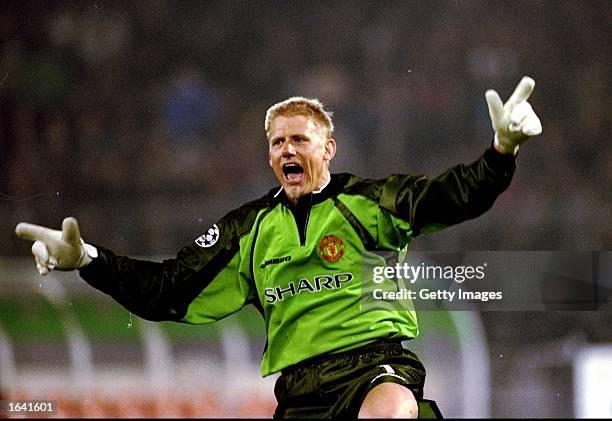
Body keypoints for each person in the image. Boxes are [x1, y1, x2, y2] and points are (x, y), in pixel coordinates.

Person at [15, 76, 542, 418]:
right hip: (299, 391)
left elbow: (454, 197)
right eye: (276, 142)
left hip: (374, 365)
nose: (287, 149)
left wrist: (501, 152)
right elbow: (166, 290)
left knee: (389, 412)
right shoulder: (247, 230)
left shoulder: (369, 203)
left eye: (299, 139)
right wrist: (87, 260)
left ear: (327, 149)